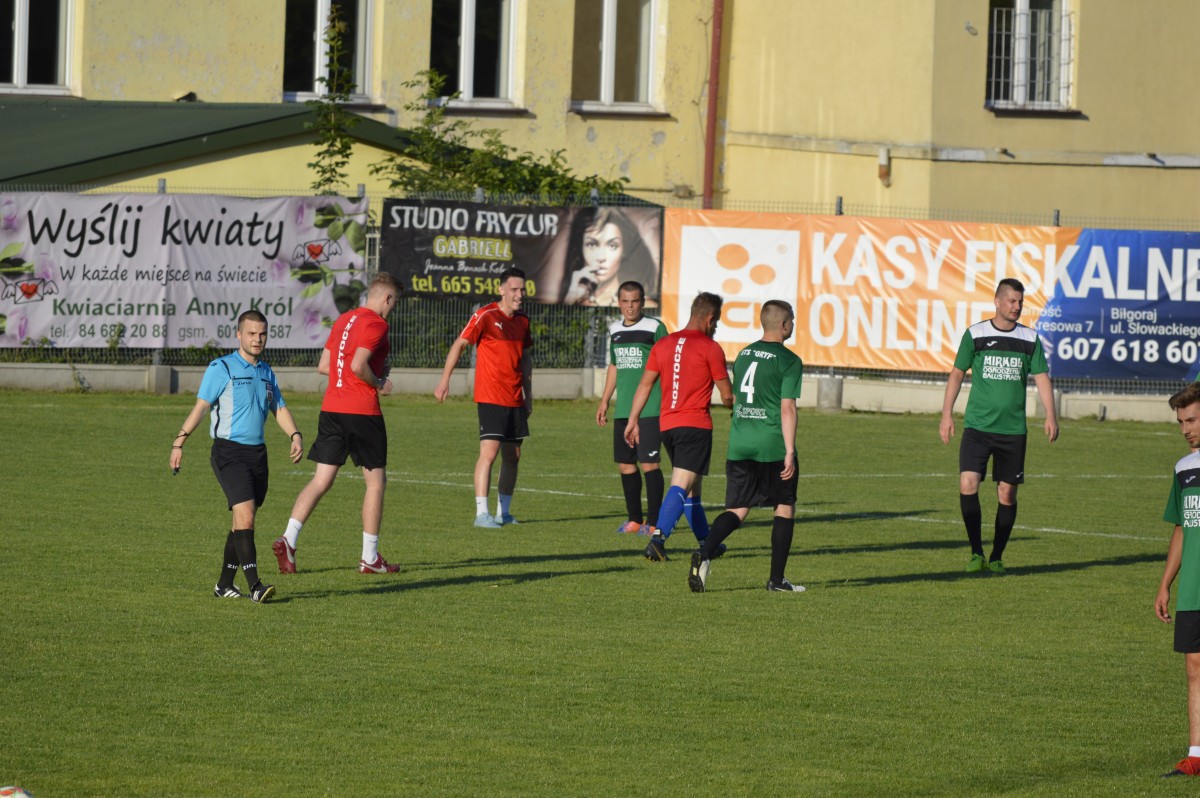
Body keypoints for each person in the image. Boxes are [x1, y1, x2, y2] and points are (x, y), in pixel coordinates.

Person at [272, 272, 401, 575]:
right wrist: (379, 382)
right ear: (387, 297)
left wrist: (358, 375)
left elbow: (324, 366)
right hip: (362, 412)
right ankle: (369, 558)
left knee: (321, 480)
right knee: (375, 483)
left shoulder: (344, 319)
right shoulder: (377, 324)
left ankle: (289, 539)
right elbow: (358, 365)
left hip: (331, 408)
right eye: (394, 302)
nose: (392, 308)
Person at [170, 310, 303, 603]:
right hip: (228, 452)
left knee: (241, 522)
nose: (257, 339)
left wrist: (295, 434)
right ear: (239, 335)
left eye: (262, 334)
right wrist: (179, 443)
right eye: (251, 333)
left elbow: (279, 407)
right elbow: (201, 408)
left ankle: (224, 584)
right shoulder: (222, 368)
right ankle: (255, 587)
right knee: (246, 515)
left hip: (258, 454)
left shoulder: (266, 371)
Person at [939, 277, 1058, 574]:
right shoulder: (976, 334)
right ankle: (976, 552)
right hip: (977, 428)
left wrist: (1051, 415)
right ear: (997, 301)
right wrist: (946, 414)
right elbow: (957, 373)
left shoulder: (1029, 339)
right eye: (1012, 301)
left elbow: (1042, 377)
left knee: (1007, 494)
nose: (1017, 307)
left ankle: (996, 557)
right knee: (968, 483)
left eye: (1020, 302)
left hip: (1012, 431)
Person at [688, 300, 805, 593]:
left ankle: (705, 551)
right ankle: (776, 580)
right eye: (791, 320)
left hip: (740, 444)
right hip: (771, 446)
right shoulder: (789, 360)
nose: (792, 325)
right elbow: (787, 408)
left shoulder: (744, 354)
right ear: (783, 324)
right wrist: (789, 451)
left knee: (738, 509)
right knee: (784, 506)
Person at [626, 291, 733, 561]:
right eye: (717, 322)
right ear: (709, 319)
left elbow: (645, 384)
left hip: (668, 426)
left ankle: (708, 544)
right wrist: (738, 405)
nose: (716, 327)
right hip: (694, 427)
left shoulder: (663, 344)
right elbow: (727, 396)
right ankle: (657, 541)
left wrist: (633, 419)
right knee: (682, 485)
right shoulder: (710, 348)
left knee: (693, 489)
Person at [435, 266, 534, 528]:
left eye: (522, 289)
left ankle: (504, 513)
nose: (519, 294)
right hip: (491, 396)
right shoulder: (485, 315)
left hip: (515, 398)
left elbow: (525, 358)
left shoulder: (523, 321)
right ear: (501, 290)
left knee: (513, 455)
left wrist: (529, 395)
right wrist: (445, 380)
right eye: (514, 289)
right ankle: (481, 514)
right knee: (489, 453)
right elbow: (460, 344)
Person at [596, 281, 668, 535]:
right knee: (626, 465)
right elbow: (615, 365)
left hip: (649, 409)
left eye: (635, 301)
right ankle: (635, 520)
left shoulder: (655, 328)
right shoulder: (615, 329)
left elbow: (668, 364)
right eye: (625, 301)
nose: (630, 306)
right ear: (618, 303)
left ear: (643, 302)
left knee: (649, 464)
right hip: (624, 409)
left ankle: (654, 522)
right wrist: (605, 400)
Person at [1156, 383, 1200, 777]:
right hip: (1193, 588)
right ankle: (1196, 755)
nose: (1186, 429)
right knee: (1194, 667)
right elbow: (1183, 528)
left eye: (1192, 420)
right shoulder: (1184, 468)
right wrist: (1165, 584)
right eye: (1181, 422)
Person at [560, 207, 658, 307]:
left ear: (624, 251)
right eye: (591, 245)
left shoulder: (643, 305)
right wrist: (569, 301)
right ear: (580, 249)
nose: (601, 257)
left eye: (612, 246)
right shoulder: (575, 300)